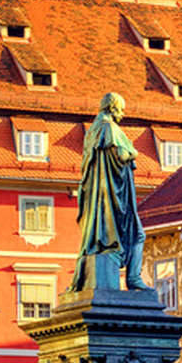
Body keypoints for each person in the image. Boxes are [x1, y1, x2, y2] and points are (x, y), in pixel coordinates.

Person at [70, 91, 151, 291]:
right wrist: (134, 152)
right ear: (113, 108)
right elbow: (121, 155)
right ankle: (133, 278)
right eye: (121, 110)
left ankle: (133, 279)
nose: (123, 114)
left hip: (102, 197)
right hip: (117, 197)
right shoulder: (109, 128)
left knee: (131, 235)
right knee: (138, 234)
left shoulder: (92, 131)